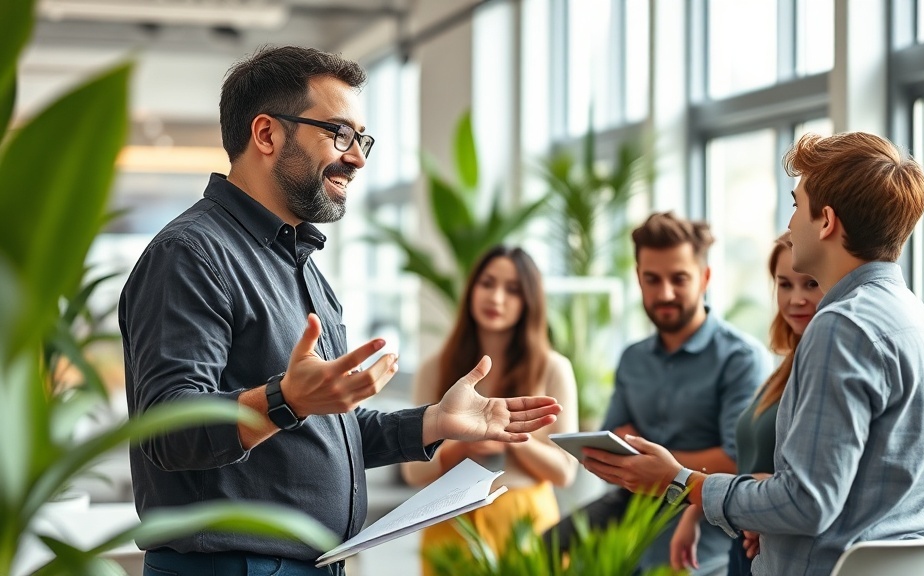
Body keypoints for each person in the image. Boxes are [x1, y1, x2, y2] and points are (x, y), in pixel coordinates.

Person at [118, 46, 562, 576]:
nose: (358, 157)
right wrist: (285, 400)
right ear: (267, 134)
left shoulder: (302, 267)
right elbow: (167, 430)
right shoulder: (192, 254)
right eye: (339, 133)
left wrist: (434, 422)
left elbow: (331, 428)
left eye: (361, 139)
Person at [583, 132, 924, 576]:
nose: (788, 228)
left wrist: (680, 481)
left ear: (826, 222)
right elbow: (871, 494)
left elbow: (808, 505)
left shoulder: (841, 326)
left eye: (796, 205)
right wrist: (767, 516)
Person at [545, 213, 771, 576]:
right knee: (545, 549)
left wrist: (650, 462)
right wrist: (644, 461)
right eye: (652, 279)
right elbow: (605, 447)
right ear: (638, 279)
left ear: (705, 278)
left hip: (705, 514)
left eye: (679, 279)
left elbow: (736, 461)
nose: (664, 293)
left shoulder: (741, 359)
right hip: (632, 506)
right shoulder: (633, 359)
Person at [401, 245, 579, 575]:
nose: (496, 298)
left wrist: (510, 434)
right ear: (472, 289)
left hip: (528, 529)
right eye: (487, 283)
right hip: (451, 526)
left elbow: (566, 472)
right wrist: (462, 444)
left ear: (529, 301)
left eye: (512, 289)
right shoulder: (435, 369)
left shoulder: (553, 368)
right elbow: (413, 473)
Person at [670, 234, 823, 576]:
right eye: (784, 285)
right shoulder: (784, 368)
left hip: (777, 546)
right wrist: (693, 515)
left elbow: (806, 484)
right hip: (745, 539)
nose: (796, 299)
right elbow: (745, 465)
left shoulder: (822, 374)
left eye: (810, 284)